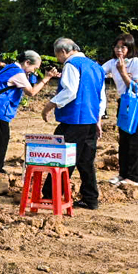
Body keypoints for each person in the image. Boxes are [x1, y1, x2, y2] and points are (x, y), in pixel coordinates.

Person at [41, 37, 106, 210]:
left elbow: (70, 91)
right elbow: (102, 97)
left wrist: (49, 106)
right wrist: (98, 119)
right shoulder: (96, 67)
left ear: (63, 51)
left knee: (61, 158)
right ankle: (91, 198)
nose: (59, 60)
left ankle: (51, 195)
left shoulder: (72, 65)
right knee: (85, 161)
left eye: (58, 56)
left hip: (74, 119)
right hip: (91, 120)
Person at [0, 51, 47, 173]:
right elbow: (31, 92)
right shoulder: (18, 73)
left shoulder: (9, 67)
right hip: (0, 108)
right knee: (1, 138)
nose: (34, 71)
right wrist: (46, 79)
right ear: (27, 62)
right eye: (34, 68)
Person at [101, 33, 138, 188]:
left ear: (130, 48)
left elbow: (136, 88)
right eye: (117, 46)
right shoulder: (112, 63)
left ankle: (133, 177)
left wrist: (123, 71)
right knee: (123, 139)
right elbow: (97, 72)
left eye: (123, 47)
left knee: (134, 139)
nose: (119, 50)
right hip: (124, 103)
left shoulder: (137, 63)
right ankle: (122, 174)